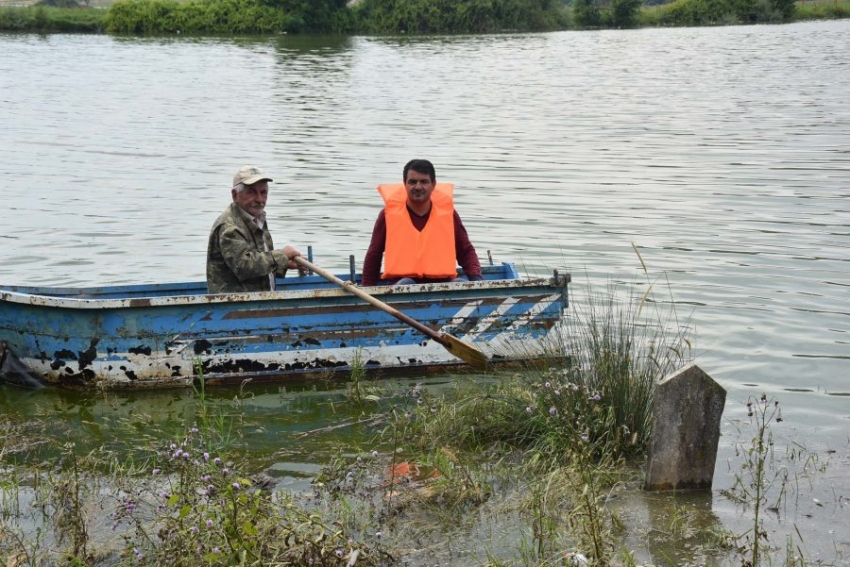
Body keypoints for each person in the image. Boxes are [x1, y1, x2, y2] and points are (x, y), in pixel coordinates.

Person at [361, 159, 483, 287]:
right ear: (405, 184)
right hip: (401, 286)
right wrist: (367, 291)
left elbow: (466, 251)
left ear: (433, 185)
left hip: (443, 285)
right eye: (412, 182)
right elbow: (374, 255)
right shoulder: (387, 215)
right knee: (406, 283)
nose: (418, 187)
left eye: (424, 182)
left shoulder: (449, 214)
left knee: (460, 284)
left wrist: (478, 282)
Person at [206, 165, 302, 294]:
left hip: (258, 304)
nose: (259, 199)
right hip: (233, 309)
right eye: (251, 192)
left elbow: (260, 264)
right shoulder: (229, 227)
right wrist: (281, 255)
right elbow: (244, 267)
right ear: (235, 195)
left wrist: (284, 263)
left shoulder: (257, 218)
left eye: (263, 193)